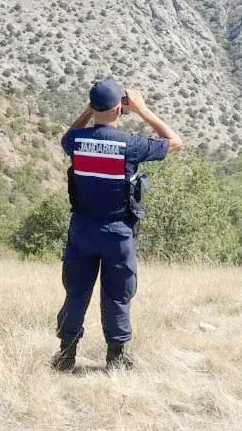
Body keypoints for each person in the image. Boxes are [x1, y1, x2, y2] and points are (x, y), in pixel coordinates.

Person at [51, 78, 183, 371]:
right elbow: (174, 141)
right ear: (120, 110)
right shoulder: (131, 145)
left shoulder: (75, 142)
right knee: (118, 294)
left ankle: (66, 355)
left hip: (82, 230)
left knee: (76, 292)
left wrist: (88, 112)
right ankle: (116, 358)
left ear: (93, 106)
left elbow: (68, 136)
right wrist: (144, 110)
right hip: (118, 233)